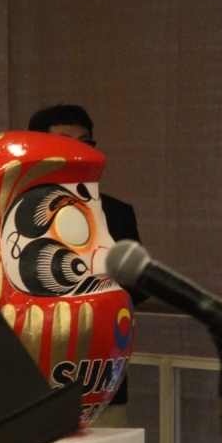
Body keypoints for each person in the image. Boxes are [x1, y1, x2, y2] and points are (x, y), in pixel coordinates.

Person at [28, 103, 145, 426]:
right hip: (28, 372)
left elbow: (137, 283)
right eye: (65, 142)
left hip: (99, 372)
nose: (78, 152)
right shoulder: (10, 208)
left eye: (85, 143)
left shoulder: (115, 213)